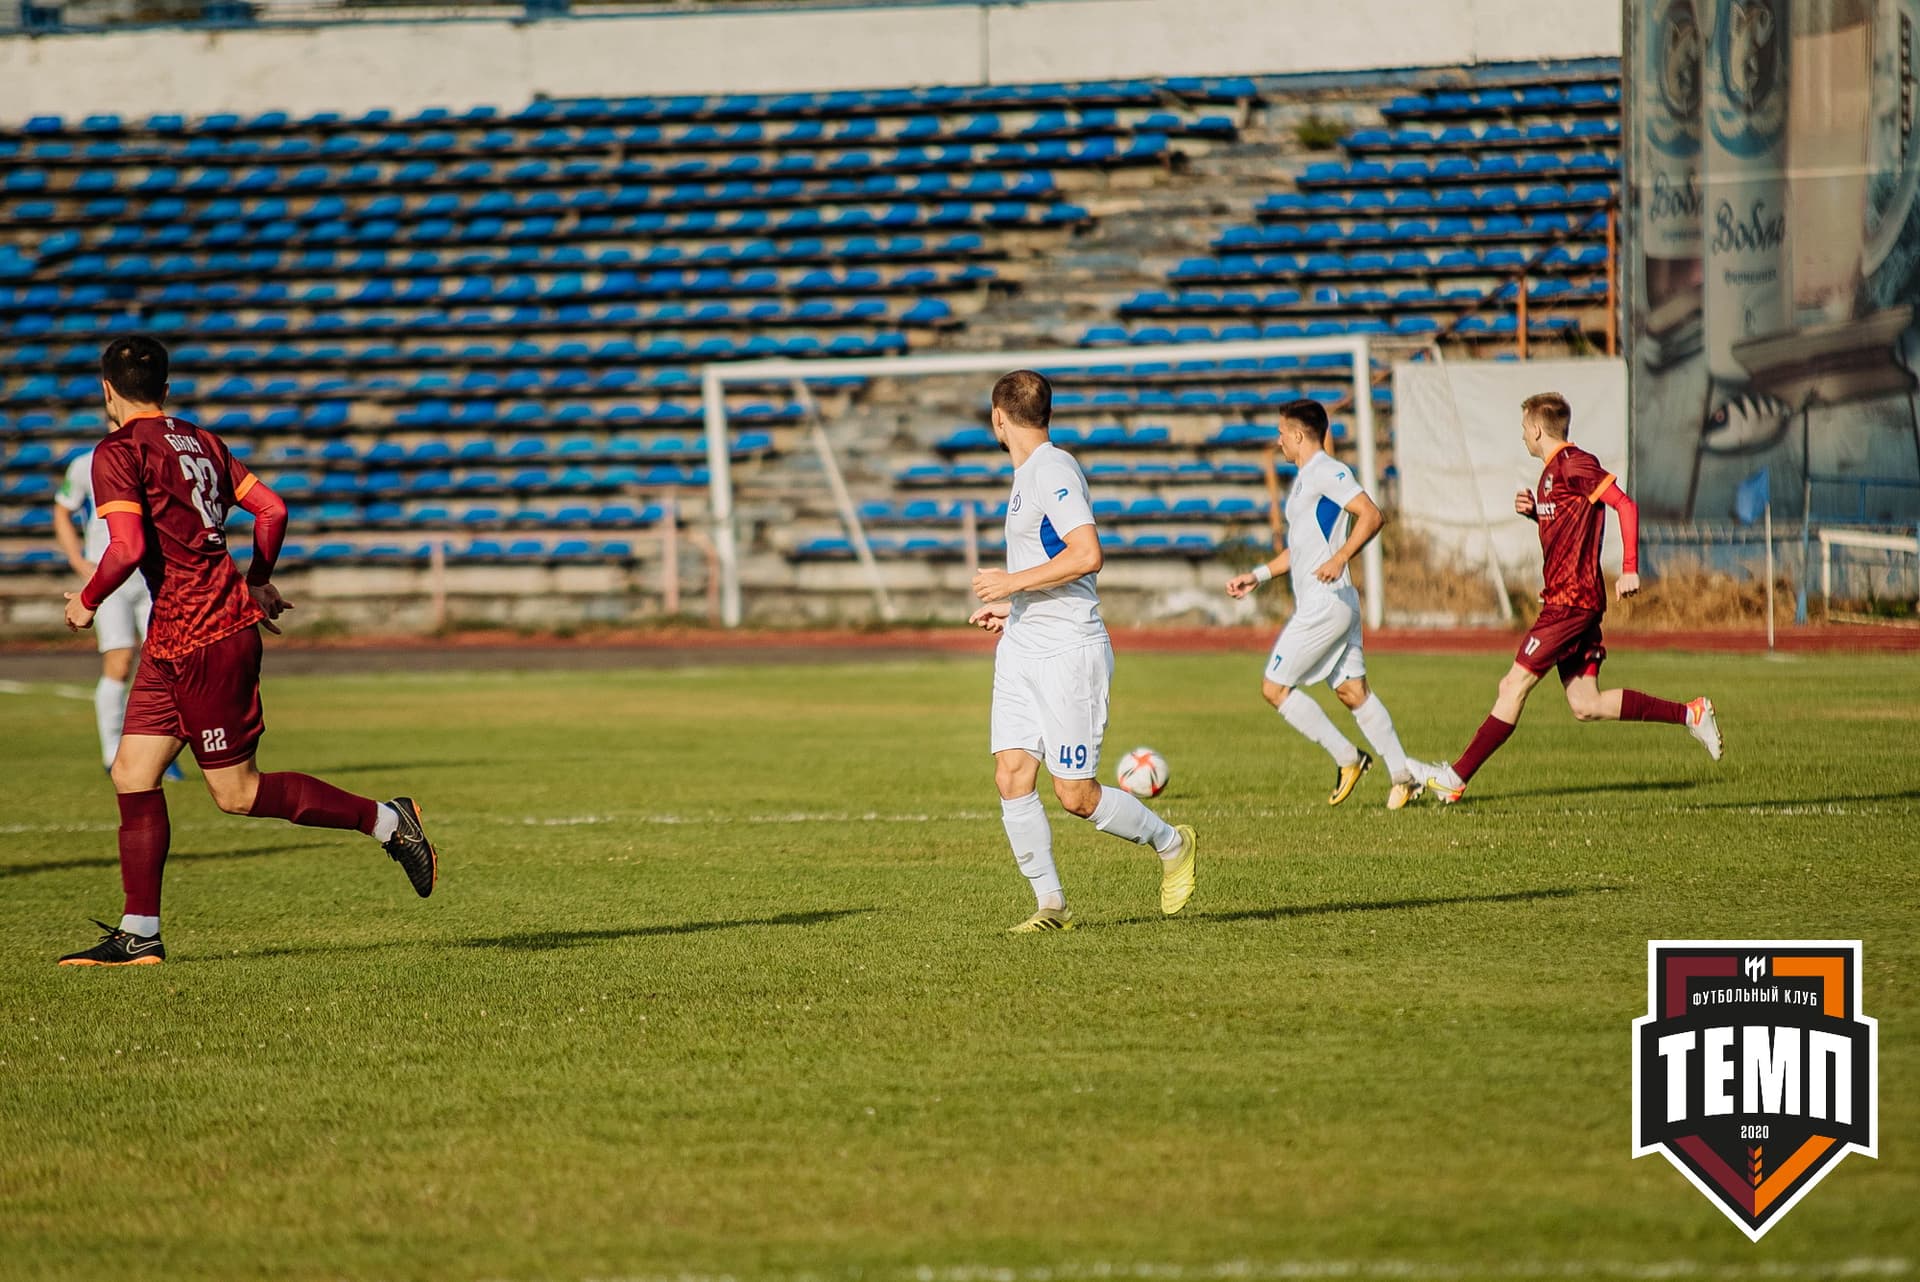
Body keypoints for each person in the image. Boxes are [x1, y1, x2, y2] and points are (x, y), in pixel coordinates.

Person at [56, 335, 439, 967]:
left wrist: (88, 600)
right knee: (132, 773)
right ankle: (139, 932)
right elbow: (272, 508)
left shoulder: (117, 451)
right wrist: (258, 576)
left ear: (106, 390)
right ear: (167, 389)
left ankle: (388, 821)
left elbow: (122, 549)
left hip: (208, 633)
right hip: (173, 637)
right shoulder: (202, 441)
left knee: (236, 793)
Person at [968, 370, 1195, 933]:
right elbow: (1049, 563)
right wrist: (1011, 609)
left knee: (1075, 795)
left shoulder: (1051, 468)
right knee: (1011, 775)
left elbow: (1088, 554)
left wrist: (1011, 585)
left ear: (999, 418)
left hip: (1070, 650)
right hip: (1023, 646)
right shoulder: (1027, 475)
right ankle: (1052, 905)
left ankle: (1173, 844)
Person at [1417, 392, 1722, 804]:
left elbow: (1624, 505)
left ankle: (1456, 778)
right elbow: (1568, 520)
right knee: (1586, 704)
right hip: (1569, 601)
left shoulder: (1574, 463)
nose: (1523, 435)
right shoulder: (1550, 475)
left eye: (1524, 428)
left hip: (1570, 602)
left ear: (1537, 429)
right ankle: (1692, 714)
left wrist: (1630, 566)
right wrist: (1535, 512)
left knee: (1513, 684)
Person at [1225, 399, 1422, 809]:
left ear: (1298, 435)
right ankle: (1404, 776)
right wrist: (1257, 576)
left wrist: (1340, 557)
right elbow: (1300, 552)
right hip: (1335, 601)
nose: (1278, 441)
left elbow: (1371, 514)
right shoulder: (1304, 481)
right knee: (1353, 692)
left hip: (1325, 603)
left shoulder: (1327, 471)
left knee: (1274, 688)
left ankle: (1348, 758)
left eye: (1282, 433)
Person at [54, 443, 181, 779]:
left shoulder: (156, 456)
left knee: (167, 662)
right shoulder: (87, 463)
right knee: (120, 661)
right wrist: (77, 559)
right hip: (110, 574)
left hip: (153, 573)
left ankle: (162, 750)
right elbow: (62, 508)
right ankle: (113, 752)